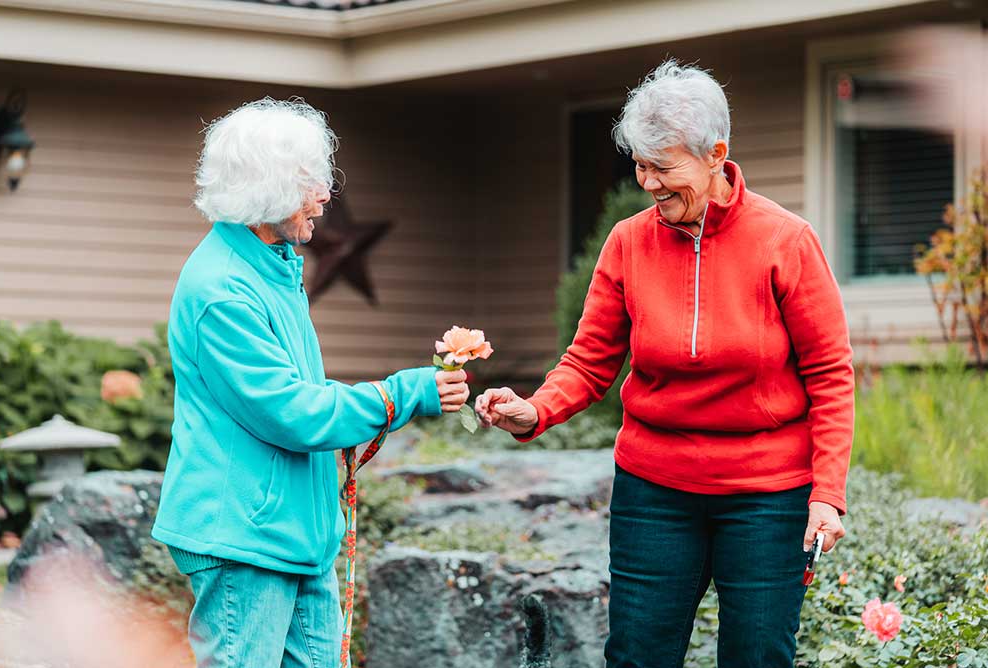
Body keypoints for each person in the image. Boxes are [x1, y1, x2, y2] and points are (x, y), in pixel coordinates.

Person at [475, 61, 854, 668]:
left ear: (715, 156)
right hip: (655, 491)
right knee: (637, 656)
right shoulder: (628, 241)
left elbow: (830, 373)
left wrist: (827, 494)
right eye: (640, 165)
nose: (648, 182)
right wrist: (533, 412)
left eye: (663, 166)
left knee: (757, 657)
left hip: (766, 495)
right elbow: (589, 361)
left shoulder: (786, 242)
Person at [151, 98, 469, 668]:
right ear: (265, 188)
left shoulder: (272, 266)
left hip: (296, 534)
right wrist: (403, 393)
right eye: (309, 181)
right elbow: (290, 412)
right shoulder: (222, 290)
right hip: (244, 540)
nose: (325, 194)